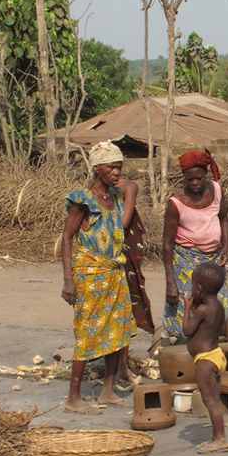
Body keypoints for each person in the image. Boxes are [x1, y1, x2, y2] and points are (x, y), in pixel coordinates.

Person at [60, 141, 138, 414]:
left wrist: (127, 187)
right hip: (90, 273)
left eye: (119, 167)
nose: (117, 172)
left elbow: (129, 192)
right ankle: (73, 396)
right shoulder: (83, 200)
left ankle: (107, 391)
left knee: (117, 332)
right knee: (87, 332)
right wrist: (68, 280)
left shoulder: (115, 197)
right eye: (111, 167)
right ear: (96, 168)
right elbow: (67, 238)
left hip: (114, 272)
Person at [162, 150, 228, 339]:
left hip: (214, 258)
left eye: (198, 178)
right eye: (189, 179)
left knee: (220, 302)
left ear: (205, 174)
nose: (194, 183)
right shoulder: (176, 203)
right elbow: (167, 244)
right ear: (184, 177)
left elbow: (224, 219)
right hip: (185, 259)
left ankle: (215, 343)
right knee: (186, 303)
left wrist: (225, 247)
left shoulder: (216, 190)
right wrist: (170, 282)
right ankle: (180, 347)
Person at [183, 262, 228, 453]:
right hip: (216, 354)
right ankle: (216, 435)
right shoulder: (217, 306)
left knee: (211, 401)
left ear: (198, 288)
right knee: (213, 399)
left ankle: (220, 439)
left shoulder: (202, 310)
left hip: (206, 360)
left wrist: (187, 308)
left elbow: (187, 331)